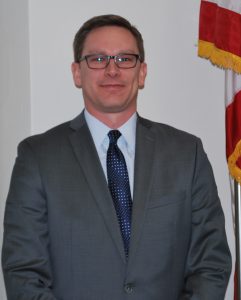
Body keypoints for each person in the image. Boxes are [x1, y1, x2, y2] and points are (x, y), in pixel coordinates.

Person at [2, 14, 231, 300]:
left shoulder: (187, 154)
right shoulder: (37, 157)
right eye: (98, 59)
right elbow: (23, 273)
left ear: (142, 72)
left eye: (125, 59)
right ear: (76, 72)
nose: (112, 70)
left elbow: (211, 263)